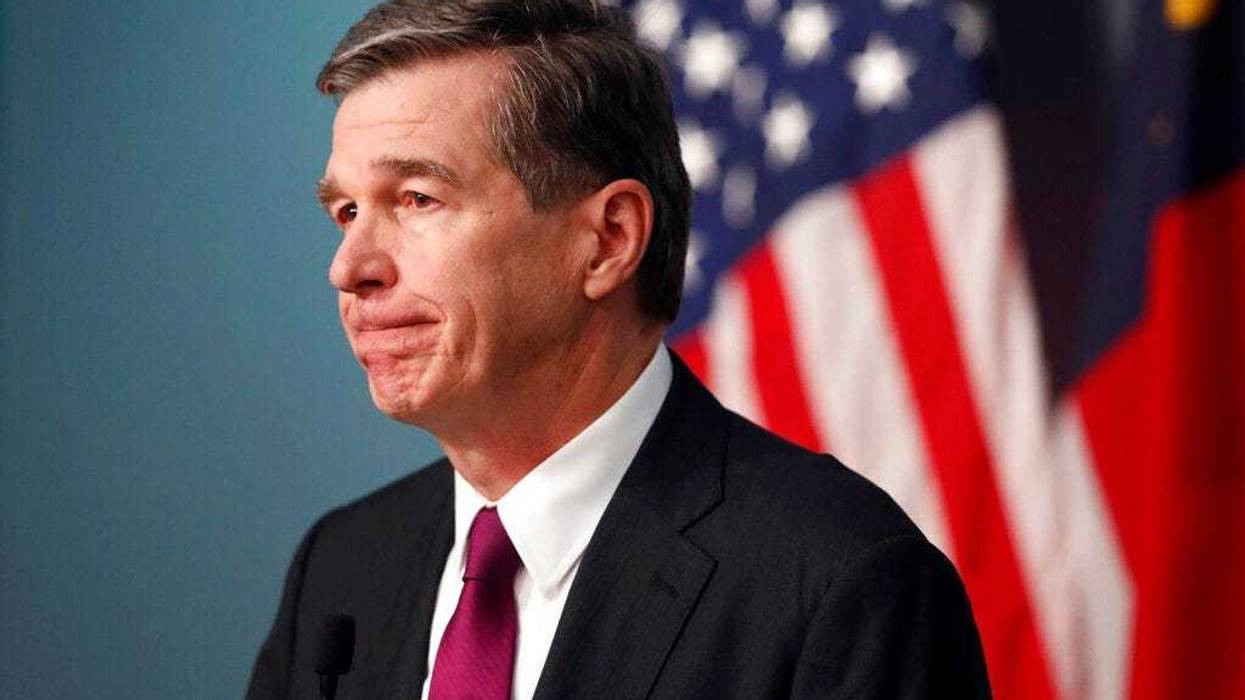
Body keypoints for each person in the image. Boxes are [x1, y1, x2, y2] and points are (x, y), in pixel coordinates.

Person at [246, 1, 991, 698]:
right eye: (345, 212)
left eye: (417, 199)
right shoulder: (341, 566)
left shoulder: (840, 584)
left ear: (607, 240)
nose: (349, 268)